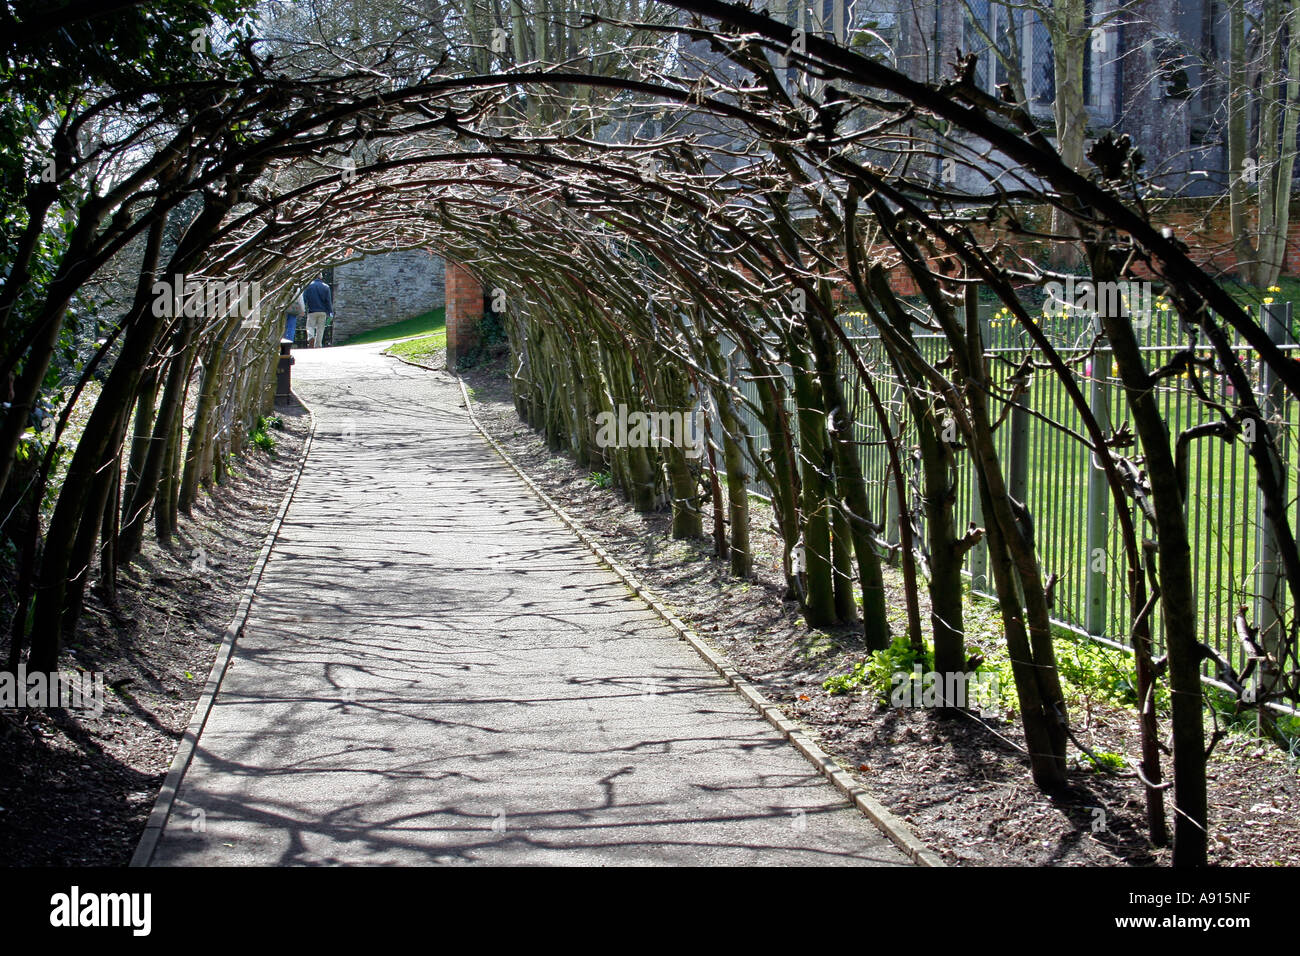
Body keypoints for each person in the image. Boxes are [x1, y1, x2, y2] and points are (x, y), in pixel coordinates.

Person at [303, 274, 333, 348]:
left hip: (312, 311)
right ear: (321, 277)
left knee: (310, 326)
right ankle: (318, 344)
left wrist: (303, 309)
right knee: (320, 328)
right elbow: (328, 301)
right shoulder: (326, 287)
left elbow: (304, 299)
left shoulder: (308, 286)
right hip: (323, 311)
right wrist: (330, 312)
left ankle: (310, 337)